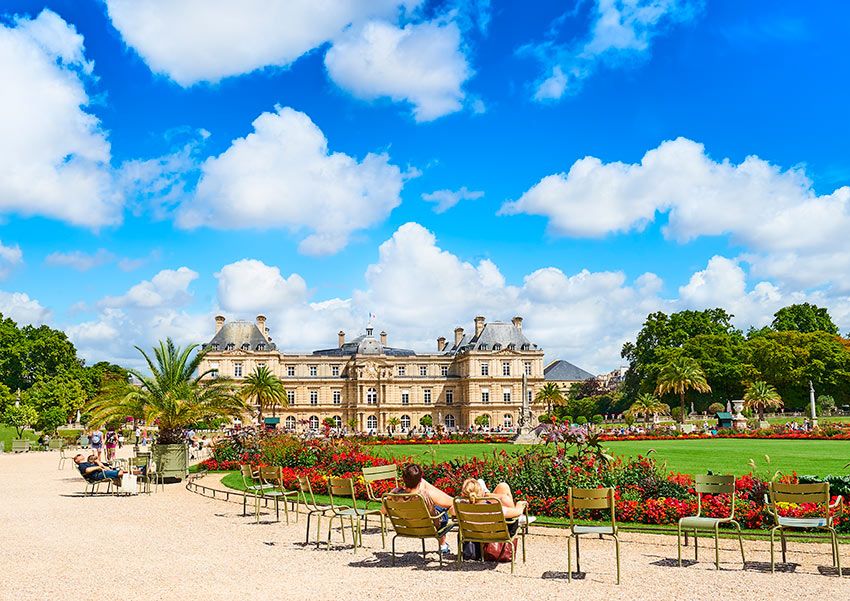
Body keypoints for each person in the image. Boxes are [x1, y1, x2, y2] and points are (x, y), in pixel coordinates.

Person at [388, 464, 455, 554]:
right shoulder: (426, 495)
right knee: (442, 511)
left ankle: (443, 545)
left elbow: (383, 511)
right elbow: (452, 503)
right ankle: (443, 545)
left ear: (403, 479)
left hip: (406, 528)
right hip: (428, 528)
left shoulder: (394, 494)